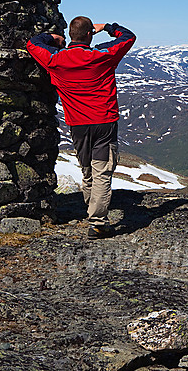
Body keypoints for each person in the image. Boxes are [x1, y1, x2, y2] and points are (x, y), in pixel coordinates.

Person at [26, 16, 136, 239]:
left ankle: (92, 210)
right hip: (104, 121)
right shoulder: (102, 55)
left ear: (69, 35)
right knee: (102, 171)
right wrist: (107, 27)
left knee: (87, 171)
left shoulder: (55, 58)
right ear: (89, 34)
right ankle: (97, 223)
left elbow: (32, 43)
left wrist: (52, 38)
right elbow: (128, 37)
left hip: (78, 124)